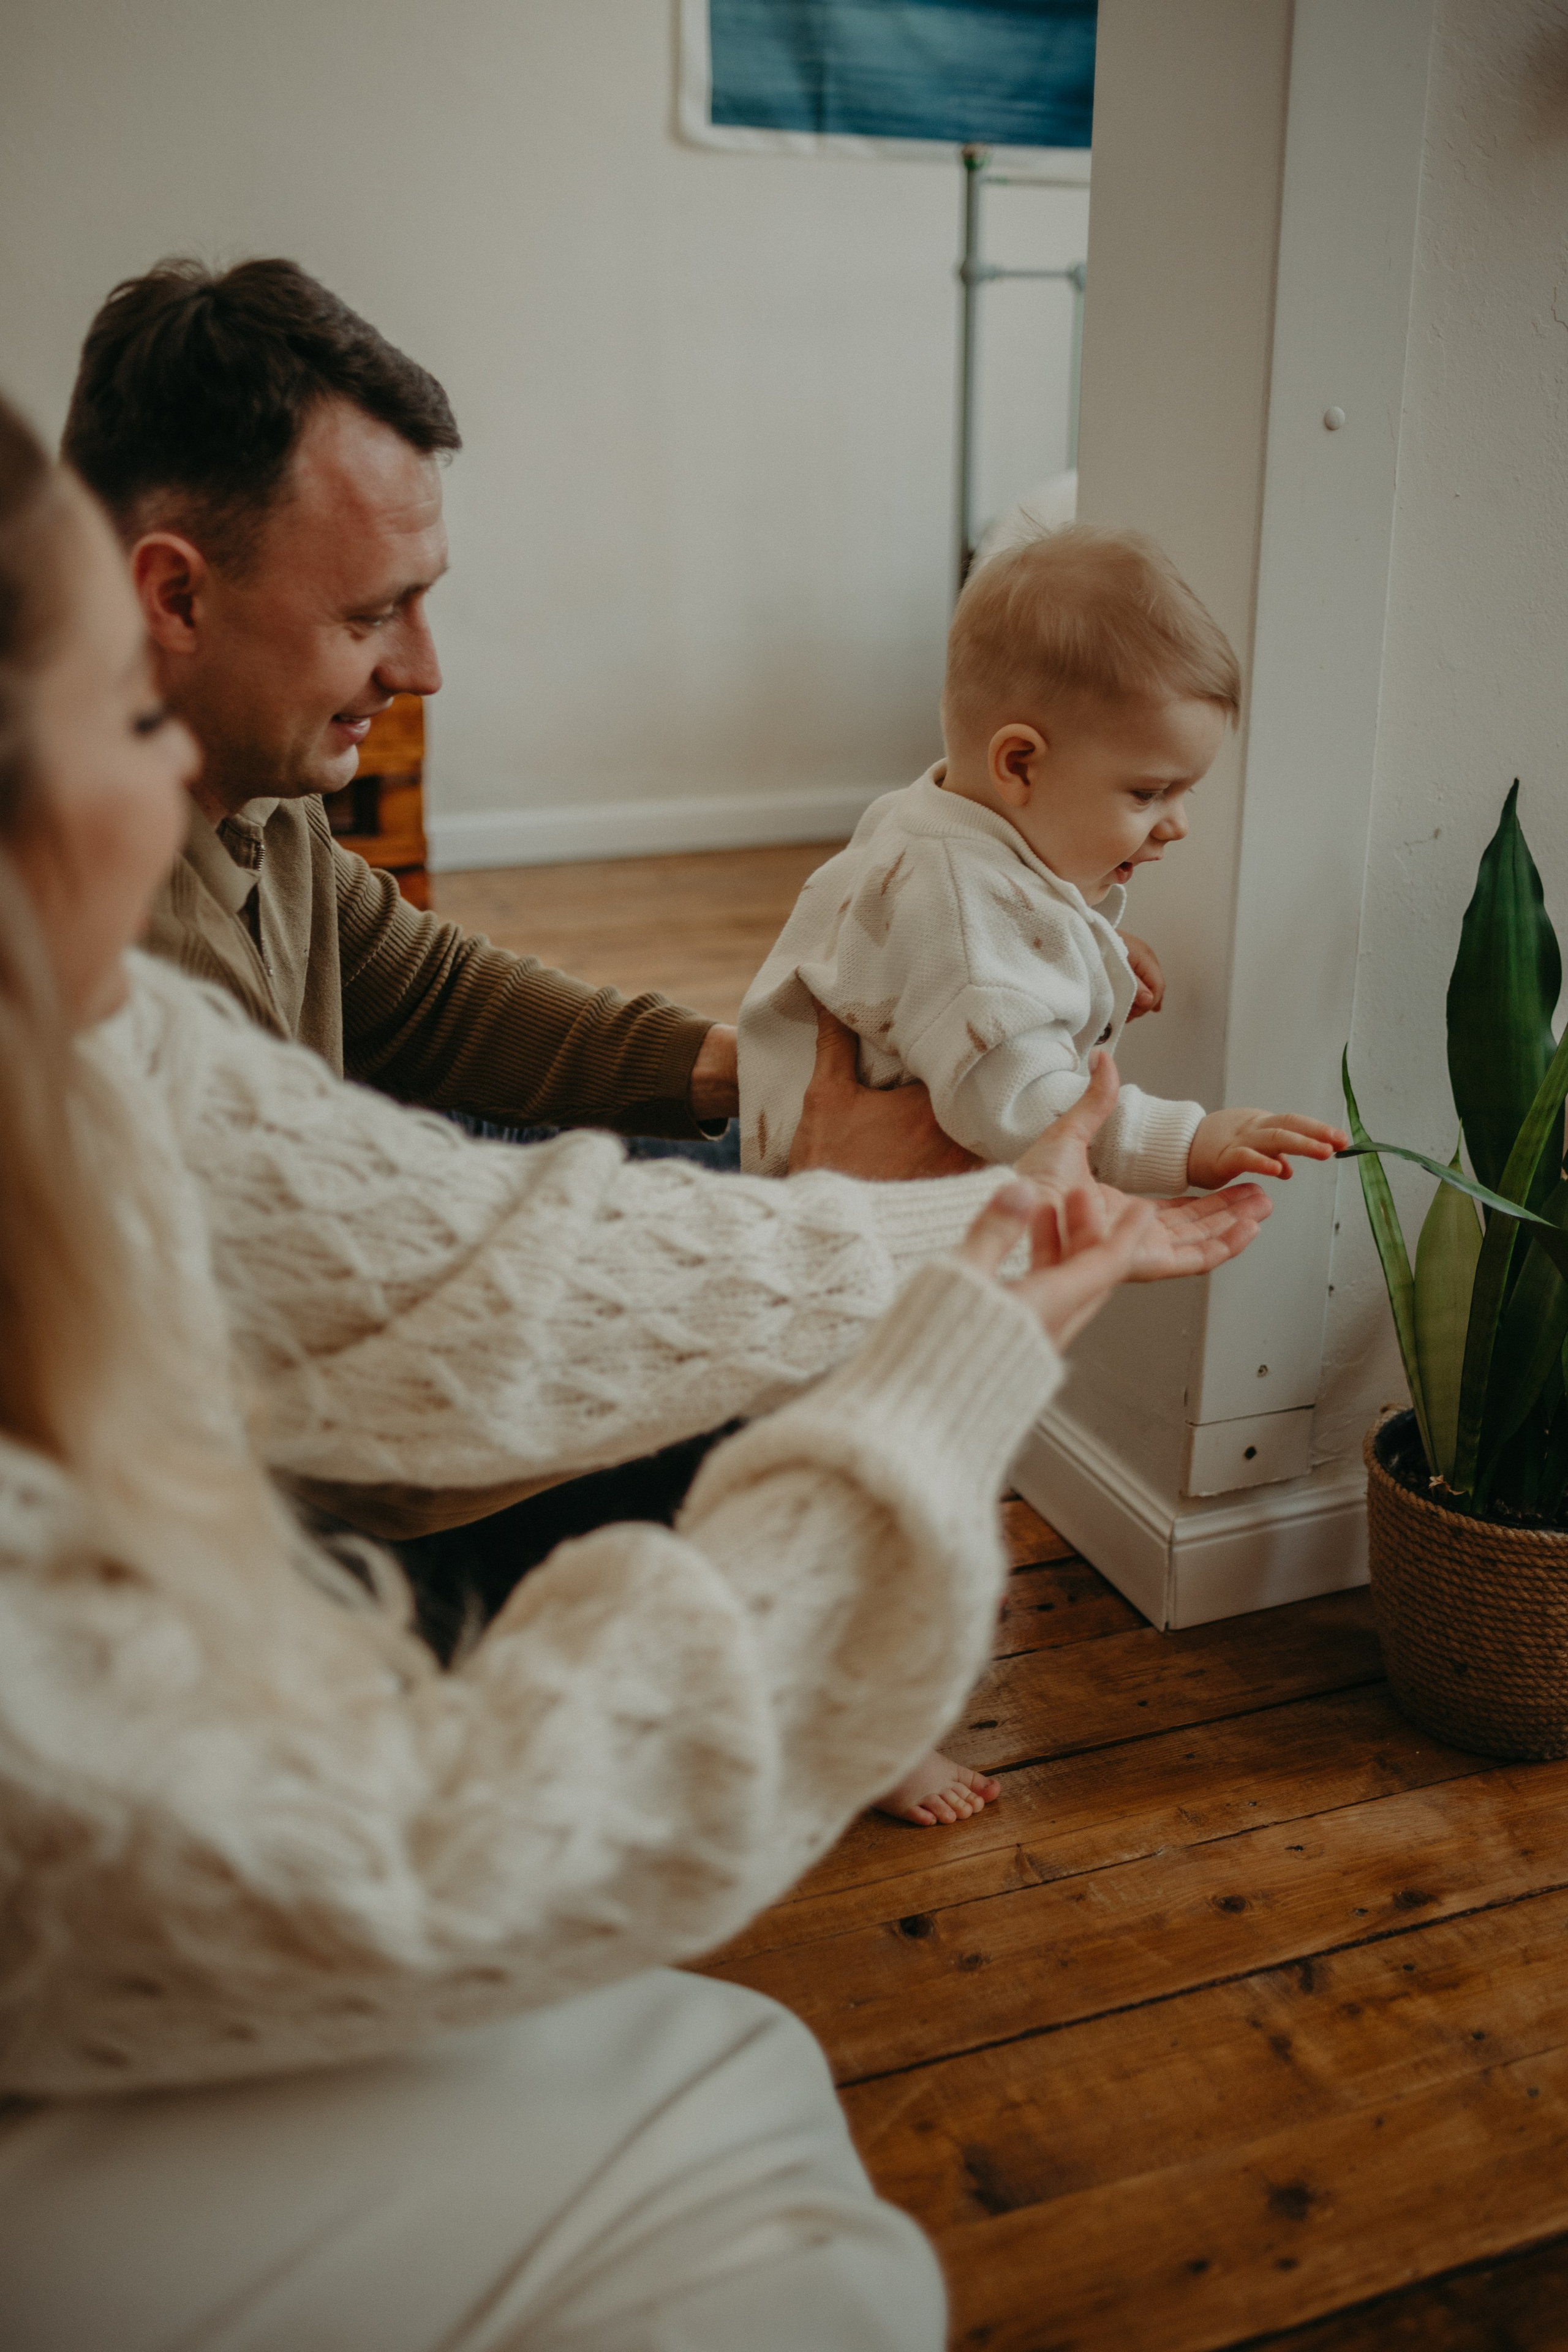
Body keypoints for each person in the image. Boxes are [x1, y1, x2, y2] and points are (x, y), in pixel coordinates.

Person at [0, 398, 1268, 2348]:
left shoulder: (94, 1031)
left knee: (728, 2075)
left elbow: (459, 1246)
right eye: (119, 714)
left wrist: (889, 1213)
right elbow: (431, 1855)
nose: (163, 759)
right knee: (752, 2149)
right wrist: (918, 1386)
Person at [59, 254, 987, 1611]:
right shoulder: (111, 959)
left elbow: (419, 990)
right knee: (815, 1319)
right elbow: (388, 1415)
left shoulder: (228, 777)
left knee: (721, 1147)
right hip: (287, 1532)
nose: (423, 667)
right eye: (371, 614)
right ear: (176, 595)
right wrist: (817, 1221)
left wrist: (768, 1073)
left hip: (322, 1332)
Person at [739, 526, 1351, 1188]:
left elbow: (934, 961)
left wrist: (1077, 946)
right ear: (1020, 765)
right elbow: (1019, 1108)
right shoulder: (964, 924)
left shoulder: (919, 822)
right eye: (1149, 794)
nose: (1178, 825)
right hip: (873, 1213)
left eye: (1184, 792)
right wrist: (1187, 1140)